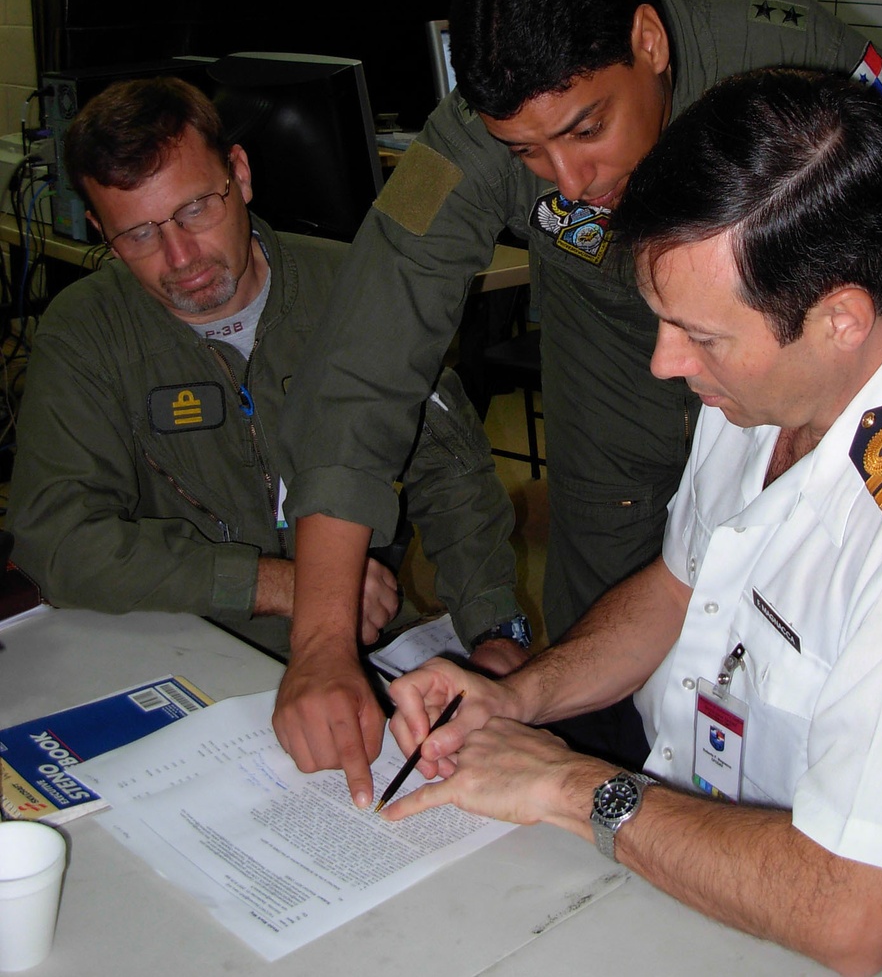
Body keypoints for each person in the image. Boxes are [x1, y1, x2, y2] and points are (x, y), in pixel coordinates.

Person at [275, 0, 882, 798]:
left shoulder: (795, 75)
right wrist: (321, 640)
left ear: (649, 45)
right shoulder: (486, 128)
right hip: (611, 336)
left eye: (589, 128)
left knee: (813, 630)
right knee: (609, 607)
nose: (570, 180)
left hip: (794, 337)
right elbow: (369, 351)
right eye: (529, 155)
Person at [382, 68, 882, 977]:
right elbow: (679, 588)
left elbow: (847, 915)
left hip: (800, 920)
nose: (667, 363)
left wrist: (564, 783)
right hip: (674, 836)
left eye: (700, 337)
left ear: (840, 318)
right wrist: (520, 697)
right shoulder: (764, 382)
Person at [8, 77, 526, 671]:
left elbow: (450, 476)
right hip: (180, 643)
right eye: (139, 233)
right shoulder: (87, 332)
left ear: (241, 174)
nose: (181, 258)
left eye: (195, 208)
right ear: (103, 232)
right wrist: (279, 585)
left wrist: (495, 632)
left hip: (367, 640)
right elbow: (58, 540)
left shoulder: (358, 290)